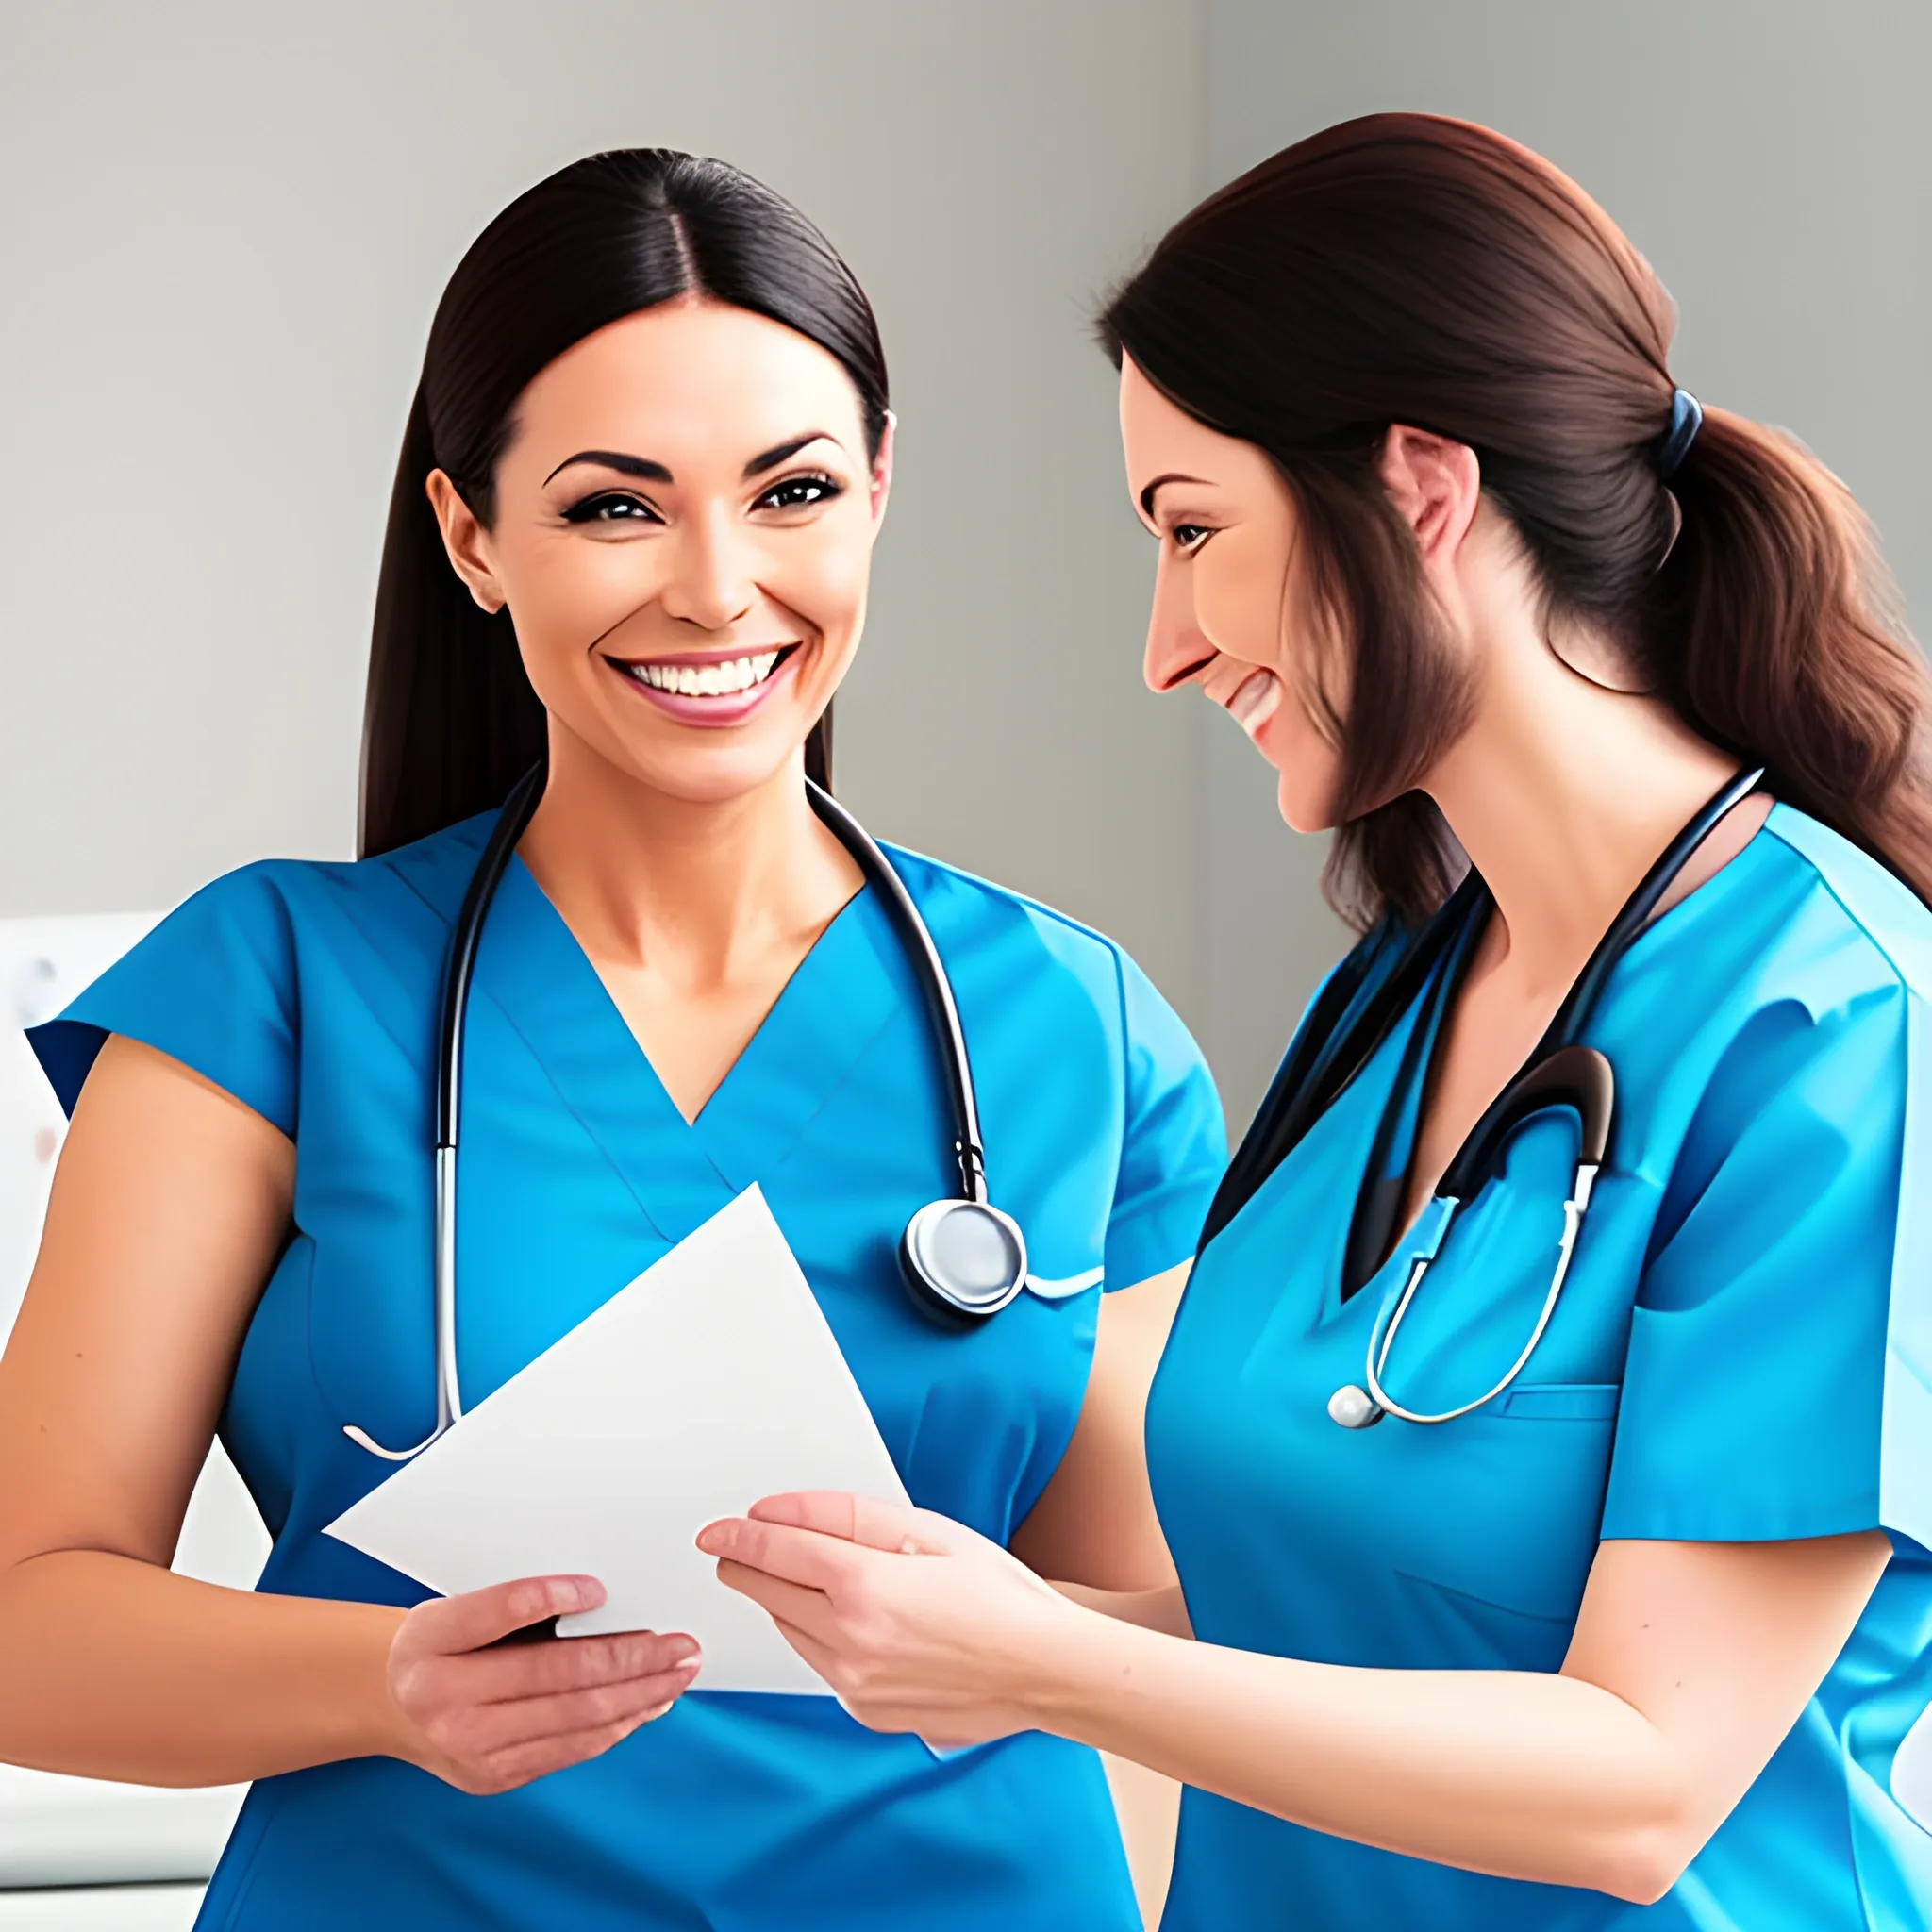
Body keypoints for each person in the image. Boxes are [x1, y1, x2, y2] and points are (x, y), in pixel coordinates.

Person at [700, 114, 1932, 1929]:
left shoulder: (1832, 1022)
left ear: (1425, 488)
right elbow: (1340, 1605)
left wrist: (1054, 1672)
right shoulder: (1400, 997)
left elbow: (1645, 1784)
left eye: (1195, 531)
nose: (1167, 644)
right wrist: (970, 1619)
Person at [0, 150, 1226, 1931]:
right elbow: (29, 1618)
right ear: (471, 538)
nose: (720, 591)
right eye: (615, 508)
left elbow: (1158, 1640)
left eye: (792, 490)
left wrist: (1016, 1636)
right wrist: (383, 1682)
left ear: (880, 494)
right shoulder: (272, 988)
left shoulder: (1068, 1029)